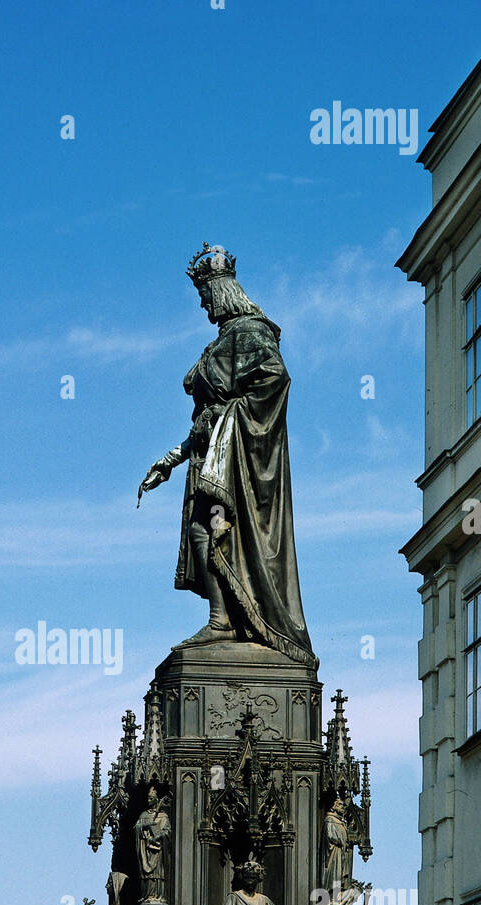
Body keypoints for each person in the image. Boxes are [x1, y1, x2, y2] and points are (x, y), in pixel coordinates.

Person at [138, 243, 313, 663]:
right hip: (213, 457)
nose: (203, 306)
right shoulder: (224, 340)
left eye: (204, 297)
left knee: (210, 532)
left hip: (236, 462)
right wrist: (169, 459)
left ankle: (225, 620)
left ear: (220, 291)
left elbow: (275, 378)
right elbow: (203, 422)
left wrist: (231, 417)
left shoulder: (250, 332)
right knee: (203, 533)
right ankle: (224, 618)